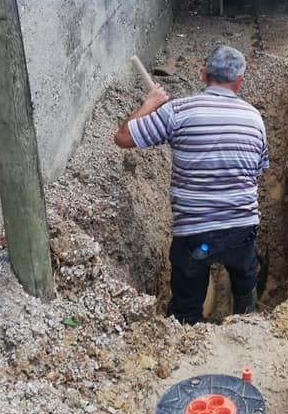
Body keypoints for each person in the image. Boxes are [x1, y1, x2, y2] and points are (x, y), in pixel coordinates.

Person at [114, 45, 269, 324]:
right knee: (245, 284)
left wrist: (151, 103)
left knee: (185, 306)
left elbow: (123, 137)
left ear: (202, 75)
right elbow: (255, 173)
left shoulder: (178, 111)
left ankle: (186, 330)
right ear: (239, 81)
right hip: (241, 231)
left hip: (196, 234)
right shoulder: (255, 118)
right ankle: (247, 321)